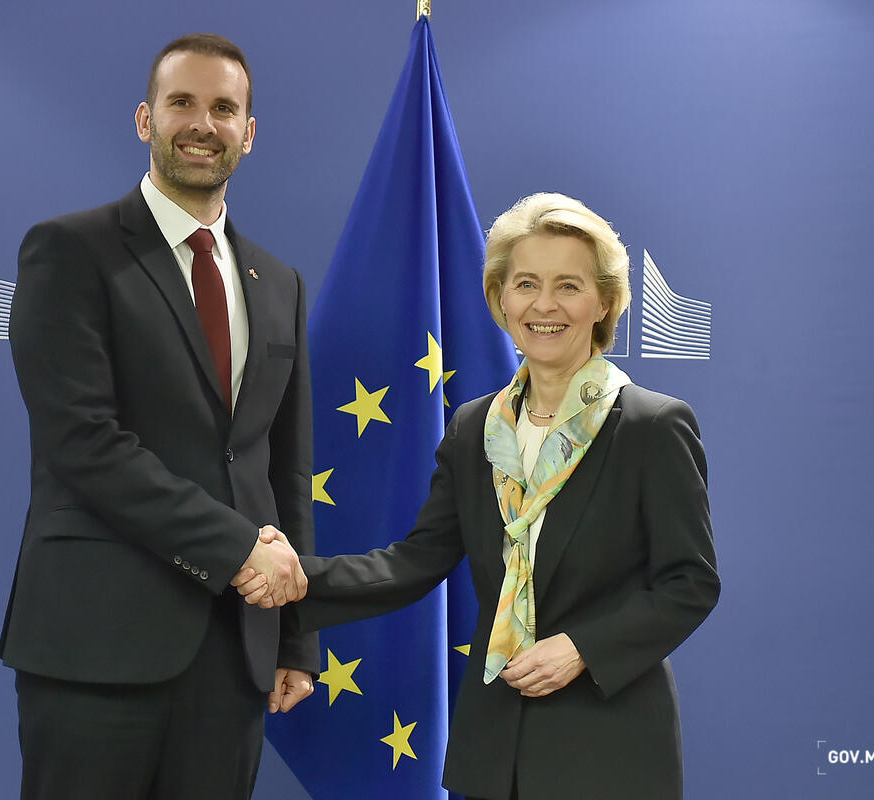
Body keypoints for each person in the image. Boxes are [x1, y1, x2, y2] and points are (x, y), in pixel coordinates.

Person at [235, 192, 720, 799]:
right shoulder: (474, 429)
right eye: (526, 284)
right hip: (494, 748)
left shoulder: (652, 426)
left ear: (603, 302)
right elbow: (413, 564)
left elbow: (689, 583)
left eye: (568, 286)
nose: (544, 305)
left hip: (609, 744)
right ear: (500, 299)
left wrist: (582, 649)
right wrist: (290, 580)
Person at [0, 33, 317, 800]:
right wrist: (238, 549)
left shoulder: (279, 283)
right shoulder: (70, 251)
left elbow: (284, 468)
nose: (202, 124)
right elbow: (83, 443)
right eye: (182, 103)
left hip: (234, 653)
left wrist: (296, 636)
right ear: (146, 120)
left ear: (248, 132)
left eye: (223, 108)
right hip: (95, 648)